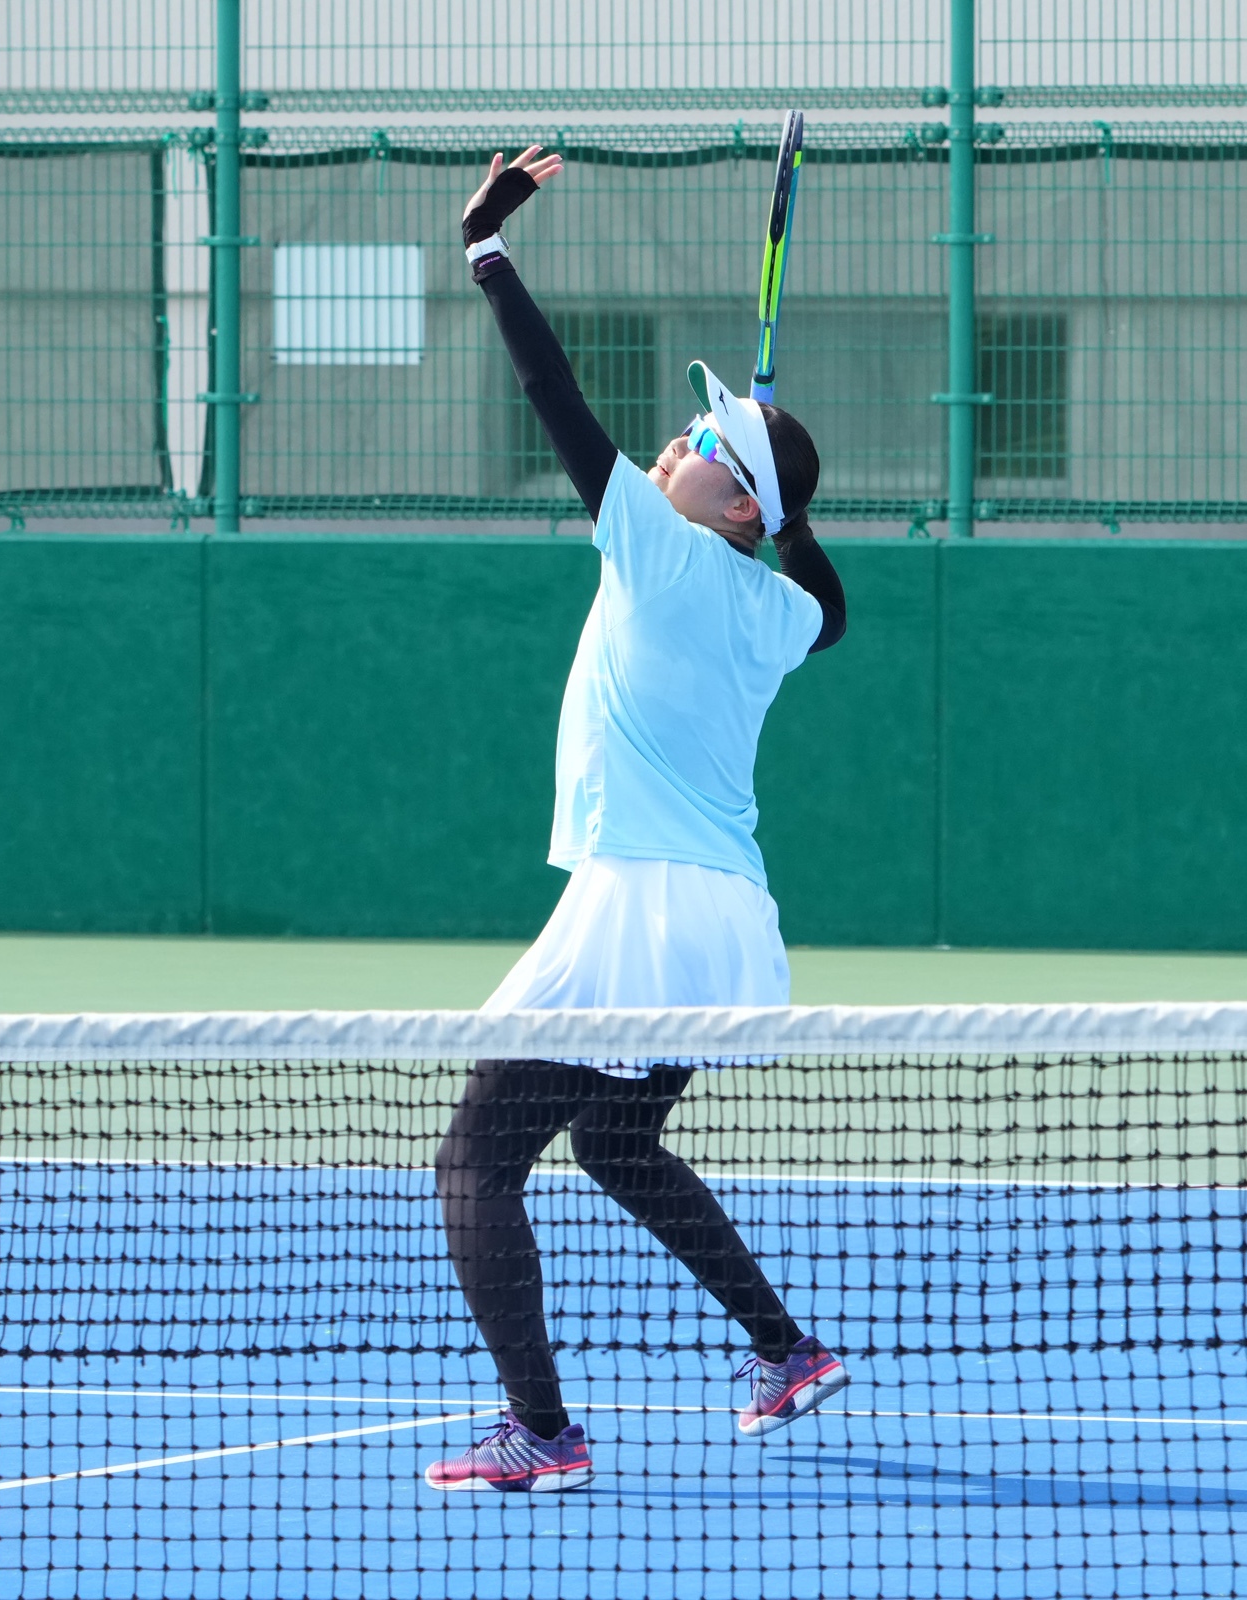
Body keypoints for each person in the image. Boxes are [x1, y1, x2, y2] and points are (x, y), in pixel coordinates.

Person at [424, 147, 851, 1492]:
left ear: (735, 505)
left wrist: (489, 250)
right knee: (613, 1140)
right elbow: (833, 603)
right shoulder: (783, 609)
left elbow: (554, 399)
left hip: (643, 908)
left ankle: (542, 1432)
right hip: (726, 922)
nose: (673, 443)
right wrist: (783, 513)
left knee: (475, 1162)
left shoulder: (658, 546)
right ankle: (785, 1349)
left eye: (702, 447)